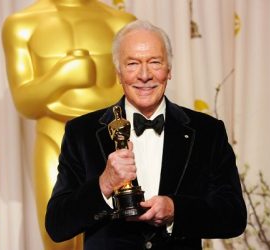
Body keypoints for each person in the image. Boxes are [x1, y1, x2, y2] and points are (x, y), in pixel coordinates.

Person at [45, 20, 247, 250]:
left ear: (169, 70)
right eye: (132, 63)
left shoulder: (207, 132)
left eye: (154, 62)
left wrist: (175, 210)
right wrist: (104, 184)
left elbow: (233, 216)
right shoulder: (82, 133)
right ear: (118, 73)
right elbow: (57, 225)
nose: (144, 75)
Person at [2, 1, 135, 249]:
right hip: (54, 136)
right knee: (59, 239)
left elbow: (133, 93)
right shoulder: (22, 25)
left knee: (118, 235)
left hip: (108, 141)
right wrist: (61, 77)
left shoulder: (121, 22)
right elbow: (24, 102)